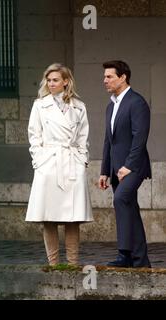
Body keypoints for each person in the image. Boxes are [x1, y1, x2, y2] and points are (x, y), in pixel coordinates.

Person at [26, 63, 93, 266]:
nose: (51, 83)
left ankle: (72, 264)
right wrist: (39, 160)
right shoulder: (40, 105)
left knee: (73, 217)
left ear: (66, 81)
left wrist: (82, 160)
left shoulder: (79, 106)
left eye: (55, 80)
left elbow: (83, 137)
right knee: (49, 216)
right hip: (49, 163)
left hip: (72, 162)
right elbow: (34, 135)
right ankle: (53, 264)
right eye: (49, 80)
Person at [98, 60, 152, 268]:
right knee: (129, 206)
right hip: (116, 169)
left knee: (121, 200)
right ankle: (140, 259)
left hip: (133, 167)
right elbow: (108, 141)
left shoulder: (137, 102)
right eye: (105, 77)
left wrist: (129, 165)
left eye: (109, 76)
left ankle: (124, 254)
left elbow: (140, 137)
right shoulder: (111, 106)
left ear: (123, 77)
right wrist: (104, 171)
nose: (105, 80)